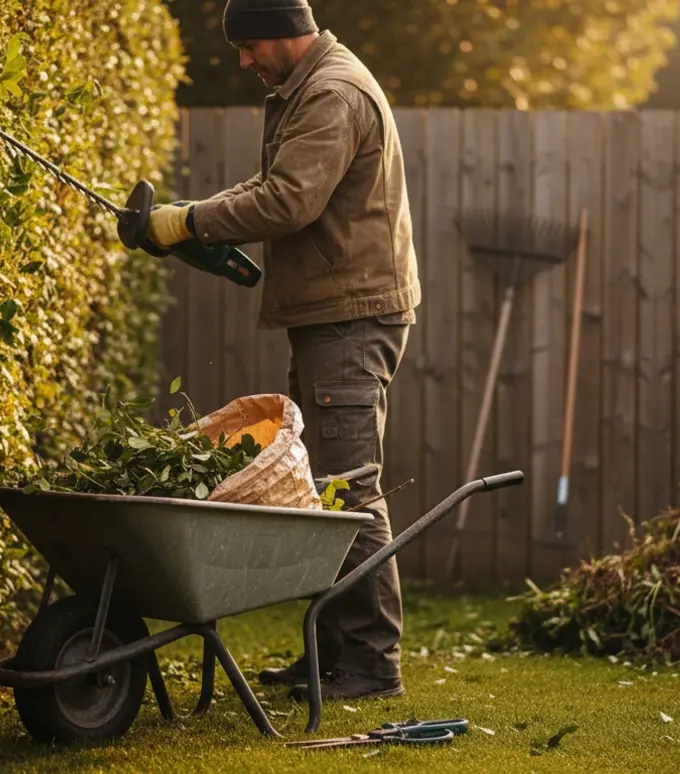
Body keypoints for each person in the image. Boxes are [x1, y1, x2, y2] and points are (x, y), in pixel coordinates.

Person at [145, 0, 421, 702]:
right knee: (322, 489)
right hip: (336, 314)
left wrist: (187, 221)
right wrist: (186, 222)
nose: (244, 61)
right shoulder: (311, 85)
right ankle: (330, 653)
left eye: (248, 47)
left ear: (281, 32)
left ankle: (371, 663)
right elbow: (272, 190)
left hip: (351, 318)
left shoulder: (330, 92)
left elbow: (287, 202)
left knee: (350, 487)